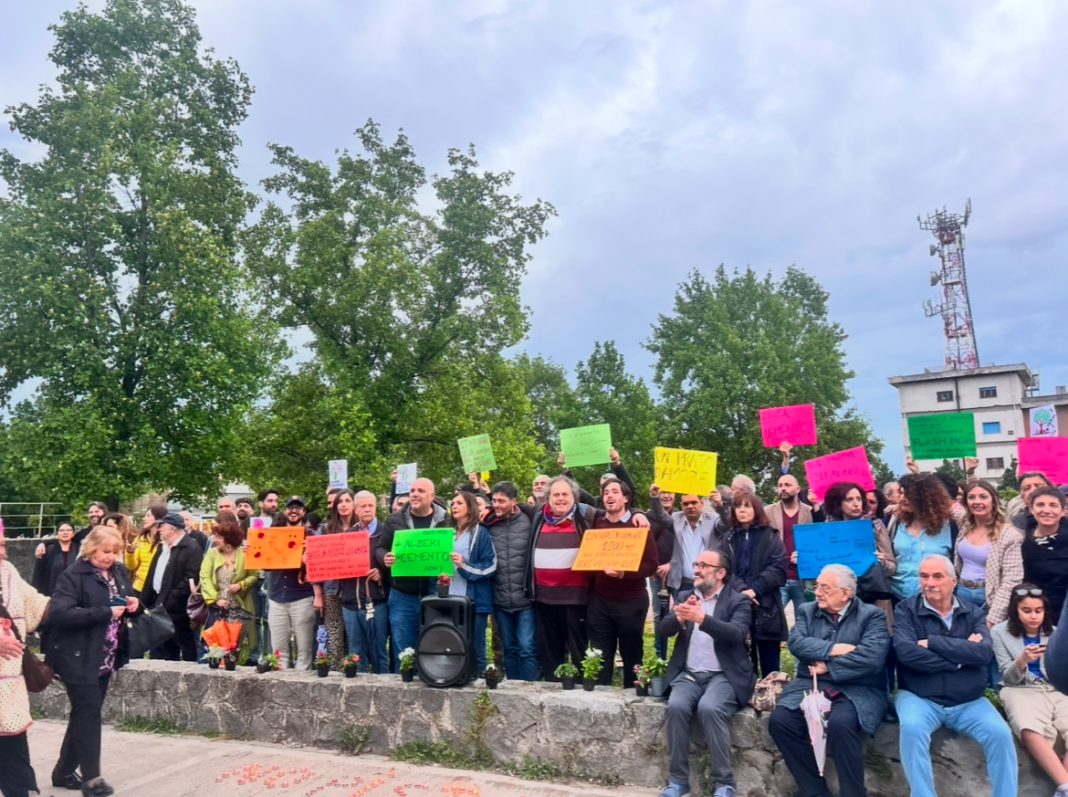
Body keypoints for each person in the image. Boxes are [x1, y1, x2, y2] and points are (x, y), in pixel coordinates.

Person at [893, 554, 1016, 797]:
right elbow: (906, 653)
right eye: (924, 576)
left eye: (937, 576)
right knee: (912, 729)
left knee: (1001, 734)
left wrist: (933, 642)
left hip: (969, 701)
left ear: (953, 581)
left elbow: (983, 653)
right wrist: (961, 657)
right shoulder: (905, 610)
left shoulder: (973, 613)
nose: (930, 583)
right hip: (920, 696)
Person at [769, 564, 890, 797]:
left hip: (859, 687)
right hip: (811, 683)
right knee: (780, 721)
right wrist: (836, 648)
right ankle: (815, 790)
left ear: (846, 593)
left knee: (841, 723)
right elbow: (797, 643)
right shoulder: (807, 611)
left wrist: (828, 667)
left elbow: (872, 658)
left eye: (825, 588)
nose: (817, 592)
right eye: (817, 586)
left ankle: (853, 793)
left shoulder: (872, 615)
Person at [46, 526, 139, 797]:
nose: (110, 556)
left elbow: (123, 601)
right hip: (77, 655)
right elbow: (60, 614)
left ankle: (63, 772)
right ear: (91, 548)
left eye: (114, 552)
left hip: (106, 654)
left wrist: (134, 604)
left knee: (84, 714)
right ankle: (92, 779)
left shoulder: (118, 571)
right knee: (88, 714)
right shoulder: (74, 575)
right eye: (105, 551)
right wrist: (105, 612)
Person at [658, 548, 754, 797]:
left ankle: (724, 784)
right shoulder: (685, 595)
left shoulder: (738, 601)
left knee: (710, 708)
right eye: (696, 565)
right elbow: (663, 630)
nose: (697, 570)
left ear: (721, 573)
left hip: (724, 674)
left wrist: (702, 619)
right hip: (689, 673)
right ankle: (678, 781)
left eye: (703, 566)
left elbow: (736, 634)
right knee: (676, 707)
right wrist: (679, 618)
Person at [991, 584, 1068, 796]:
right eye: (1026, 611)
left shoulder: (1056, 633)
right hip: (1019, 688)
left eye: (1038, 610)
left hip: (1054, 687)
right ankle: (1064, 785)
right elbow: (1007, 677)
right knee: (1028, 726)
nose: (1033, 616)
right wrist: (1022, 661)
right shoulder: (999, 632)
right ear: (1015, 611)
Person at [586, 478, 658, 687]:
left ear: (626, 498)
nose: (609, 495)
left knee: (631, 653)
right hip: (600, 601)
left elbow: (651, 565)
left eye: (614, 491)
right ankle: (600, 696)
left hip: (631, 601)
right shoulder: (597, 524)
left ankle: (633, 696)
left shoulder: (639, 525)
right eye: (606, 492)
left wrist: (624, 573)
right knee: (600, 654)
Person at [0, 525, 51, 797]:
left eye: (3, 544)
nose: (3, 551)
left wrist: (85, 606)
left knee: (13, 742)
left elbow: (37, 603)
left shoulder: (7, 571)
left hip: (8, 684)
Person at [377, 478, 449, 665]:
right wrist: (385, 558)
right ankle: (404, 681)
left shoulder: (446, 520)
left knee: (434, 647)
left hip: (435, 595)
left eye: (421, 491)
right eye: (412, 490)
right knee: (403, 651)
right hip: (403, 595)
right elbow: (380, 548)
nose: (415, 494)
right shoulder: (395, 519)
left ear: (432, 496)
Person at [530, 475, 594, 678]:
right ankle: (552, 685)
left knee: (578, 650)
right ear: (548, 498)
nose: (560, 499)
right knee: (549, 649)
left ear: (574, 497)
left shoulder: (586, 516)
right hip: (544, 597)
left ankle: (580, 688)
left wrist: (638, 513)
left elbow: (616, 511)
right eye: (556, 495)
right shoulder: (538, 517)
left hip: (575, 598)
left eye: (565, 494)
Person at [724, 493, 787, 677]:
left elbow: (778, 568)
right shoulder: (728, 538)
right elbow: (723, 569)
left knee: (770, 665)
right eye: (738, 506)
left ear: (757, 510)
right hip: (737, 604)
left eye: (747, 506)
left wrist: (754, 590)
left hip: (766, 605)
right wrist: (742, 591)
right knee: (743, 663)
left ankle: (770, 692)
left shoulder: (771, 536)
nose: (742, 510)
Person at [484, 481, 538, 681]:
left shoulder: (529, 520)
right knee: (509, 649)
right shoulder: (489, 523)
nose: (496, 505)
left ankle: (530, 689)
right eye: (494, 500)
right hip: (500, 599)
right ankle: (513, 688)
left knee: (526, 647)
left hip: (525, 600)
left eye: (501, 501)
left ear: (514, 502)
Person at [823, 482, 896, 623]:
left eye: (859, 499)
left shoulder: (875, 526)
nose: (856, 504)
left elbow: (892, 567)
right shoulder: (827, 531)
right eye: (849, 499)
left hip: (873, 601)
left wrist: (882, 561)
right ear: (838, 504)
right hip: (840, 602)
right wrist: (803, 559)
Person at [335, 491, 389, 673]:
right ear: (356, 510)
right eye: (363, 506)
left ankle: (383, 687)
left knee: (379, 652)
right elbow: (336, 566)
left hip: (377, 602)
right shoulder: (347, 535)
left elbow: (395, 566)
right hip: (350, 603)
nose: (367, 509)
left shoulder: (386, 533)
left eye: (371, 506)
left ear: (376, 508)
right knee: (356, 653)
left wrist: (382, 575)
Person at [445, 491, 497, 676]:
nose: (455, 506)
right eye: (453, 503)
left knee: (476, 647)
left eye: (460, 503)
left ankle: (479, 682)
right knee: (453, 644)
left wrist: (463, 565)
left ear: (470, 507)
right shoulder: (448, 534)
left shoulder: (480, 532)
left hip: (474, 601)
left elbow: (490, 566)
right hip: (450, 600)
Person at [957, 480, 1020, 627]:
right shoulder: (964, 526)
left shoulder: (1009, 535)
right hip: (961, 594)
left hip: (988, 598)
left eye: (983, 497)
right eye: (971, 497)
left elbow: (1012, 580)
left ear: (994, 500)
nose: (977, 502)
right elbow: (942, 505)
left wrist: (994, 617)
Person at [141, 513, 203, 661]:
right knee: (159, 642)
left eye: (161, 526)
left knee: (182, 639)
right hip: (158, 600)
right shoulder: (162, 547)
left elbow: (191, 577)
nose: (159, 529)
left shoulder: (191, 547)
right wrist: (146, 601)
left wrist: (172, 598)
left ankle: (189, 670)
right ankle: (159, 669)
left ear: (172, 529)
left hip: (177, 605)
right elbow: (152, 574)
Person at [200, 518, 260, 663]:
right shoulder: (212, 554)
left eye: (219, 537)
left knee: (234, 647)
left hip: (239, 608)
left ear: (229, 539)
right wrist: (216, 599)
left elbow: (255, 575)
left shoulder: (243, 554)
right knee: (214, 646)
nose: (215, 540)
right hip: (217, 609)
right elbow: (204, 577)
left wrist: (241, 584)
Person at [889, 475, 955, 601]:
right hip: (898, 597)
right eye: (901, 493)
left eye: (909, 494)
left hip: (937, 597)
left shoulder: (950, 526)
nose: (902, 499)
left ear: (925, 497)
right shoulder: (895, 522)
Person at [766, 474, 816, 616]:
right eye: (780, 485)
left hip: (802, 578)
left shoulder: (810, 512)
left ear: (798, 489)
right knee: (772, 619)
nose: (783, 488)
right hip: (778, 576)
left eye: (787, 485)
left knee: (804, 620)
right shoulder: (767, 512)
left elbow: (818, 543)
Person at [1021, 487, 1068, 619]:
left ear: (1063, 510)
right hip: (1035, 612)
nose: (1046, 510)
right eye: (1040, 505)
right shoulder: (1021, 540)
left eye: (1053, 505)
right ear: (1031, 509)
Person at [32, 521, 80, 597]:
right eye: (62, 530)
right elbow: (38, 574)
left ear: (73, 533)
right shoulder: (47, 550)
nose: (65, 532)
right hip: (51, 593)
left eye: (68, 530)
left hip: (75, 594)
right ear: (57, 533)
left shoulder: (80, 550)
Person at [125, 506, 165, 594]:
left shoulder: (166, 540)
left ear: (158, 519)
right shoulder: (140, 538)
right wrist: (130, 553)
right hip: (139, 587)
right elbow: (131, 567)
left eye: (148, 515)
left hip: (157, 589)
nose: (144, 518)